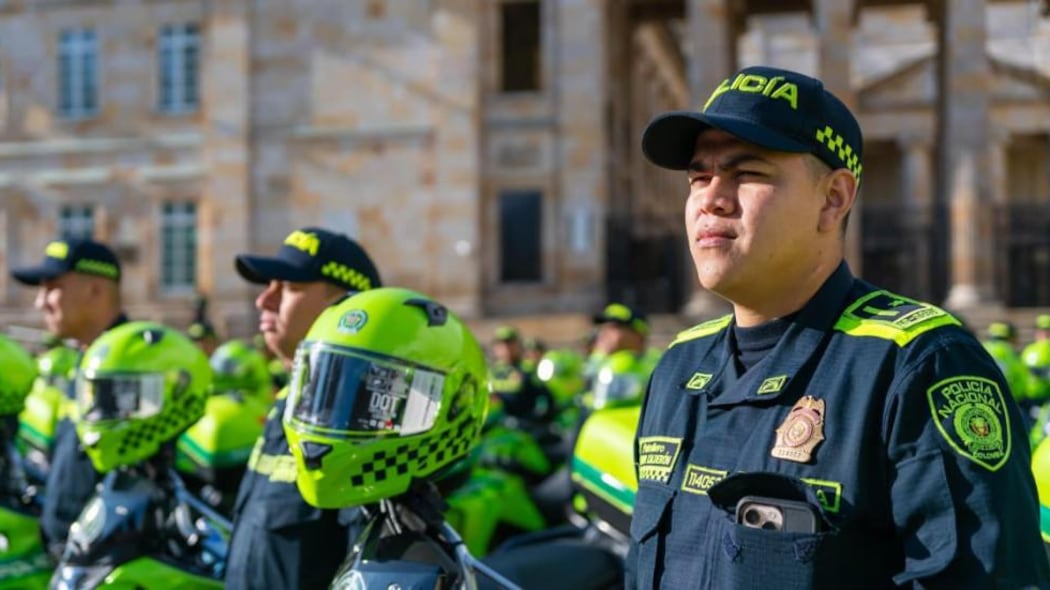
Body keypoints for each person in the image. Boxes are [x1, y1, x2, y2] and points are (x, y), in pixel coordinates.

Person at [629, 65, 1048, 589]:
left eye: (747, 172)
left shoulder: (916, 366)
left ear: (833, 199)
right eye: (699, 177)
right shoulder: (678, 367)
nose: (710, 198)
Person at [224, 227, 382, 590]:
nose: (263, 301)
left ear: (344, 306)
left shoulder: (357, 427)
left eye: (289, 287)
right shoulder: (287, 403)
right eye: (268, 286)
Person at [9, 238, 128, 556]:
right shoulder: (88, 359)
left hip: (102, 559)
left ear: (96, 290)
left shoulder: (129, 367)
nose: (40, 302)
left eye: (53, 287)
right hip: (72, 554)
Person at [489, 325, 555, 422]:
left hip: (523, 425)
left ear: (518, 345)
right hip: (496, 424)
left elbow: (547, 399)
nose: (506, 348)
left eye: (510, 343)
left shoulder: (528, 369)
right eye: (502, 344)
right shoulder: (491, 372)